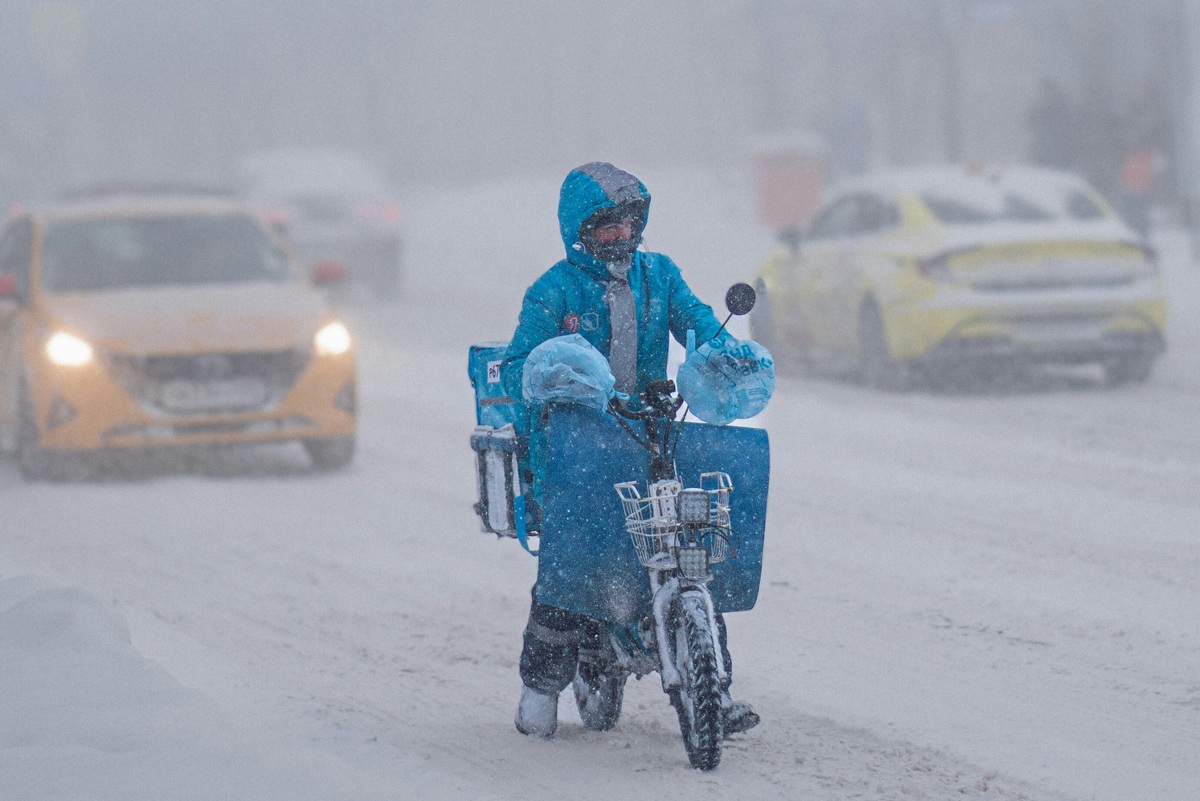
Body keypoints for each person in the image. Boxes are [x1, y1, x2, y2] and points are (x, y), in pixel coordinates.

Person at [499, 162, 761, 739]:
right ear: (579, 232)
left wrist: (727, 354)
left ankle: (713, 684)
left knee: (696, 550)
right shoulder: (552, 291)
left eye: (628, 223)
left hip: (651, 433)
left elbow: (699, 325)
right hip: (577, 450)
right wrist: (562, 379)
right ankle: (539, 692)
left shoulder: (659, 276)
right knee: (567, 576)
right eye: (605, 227)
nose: (620, 236)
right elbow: (520, 368)